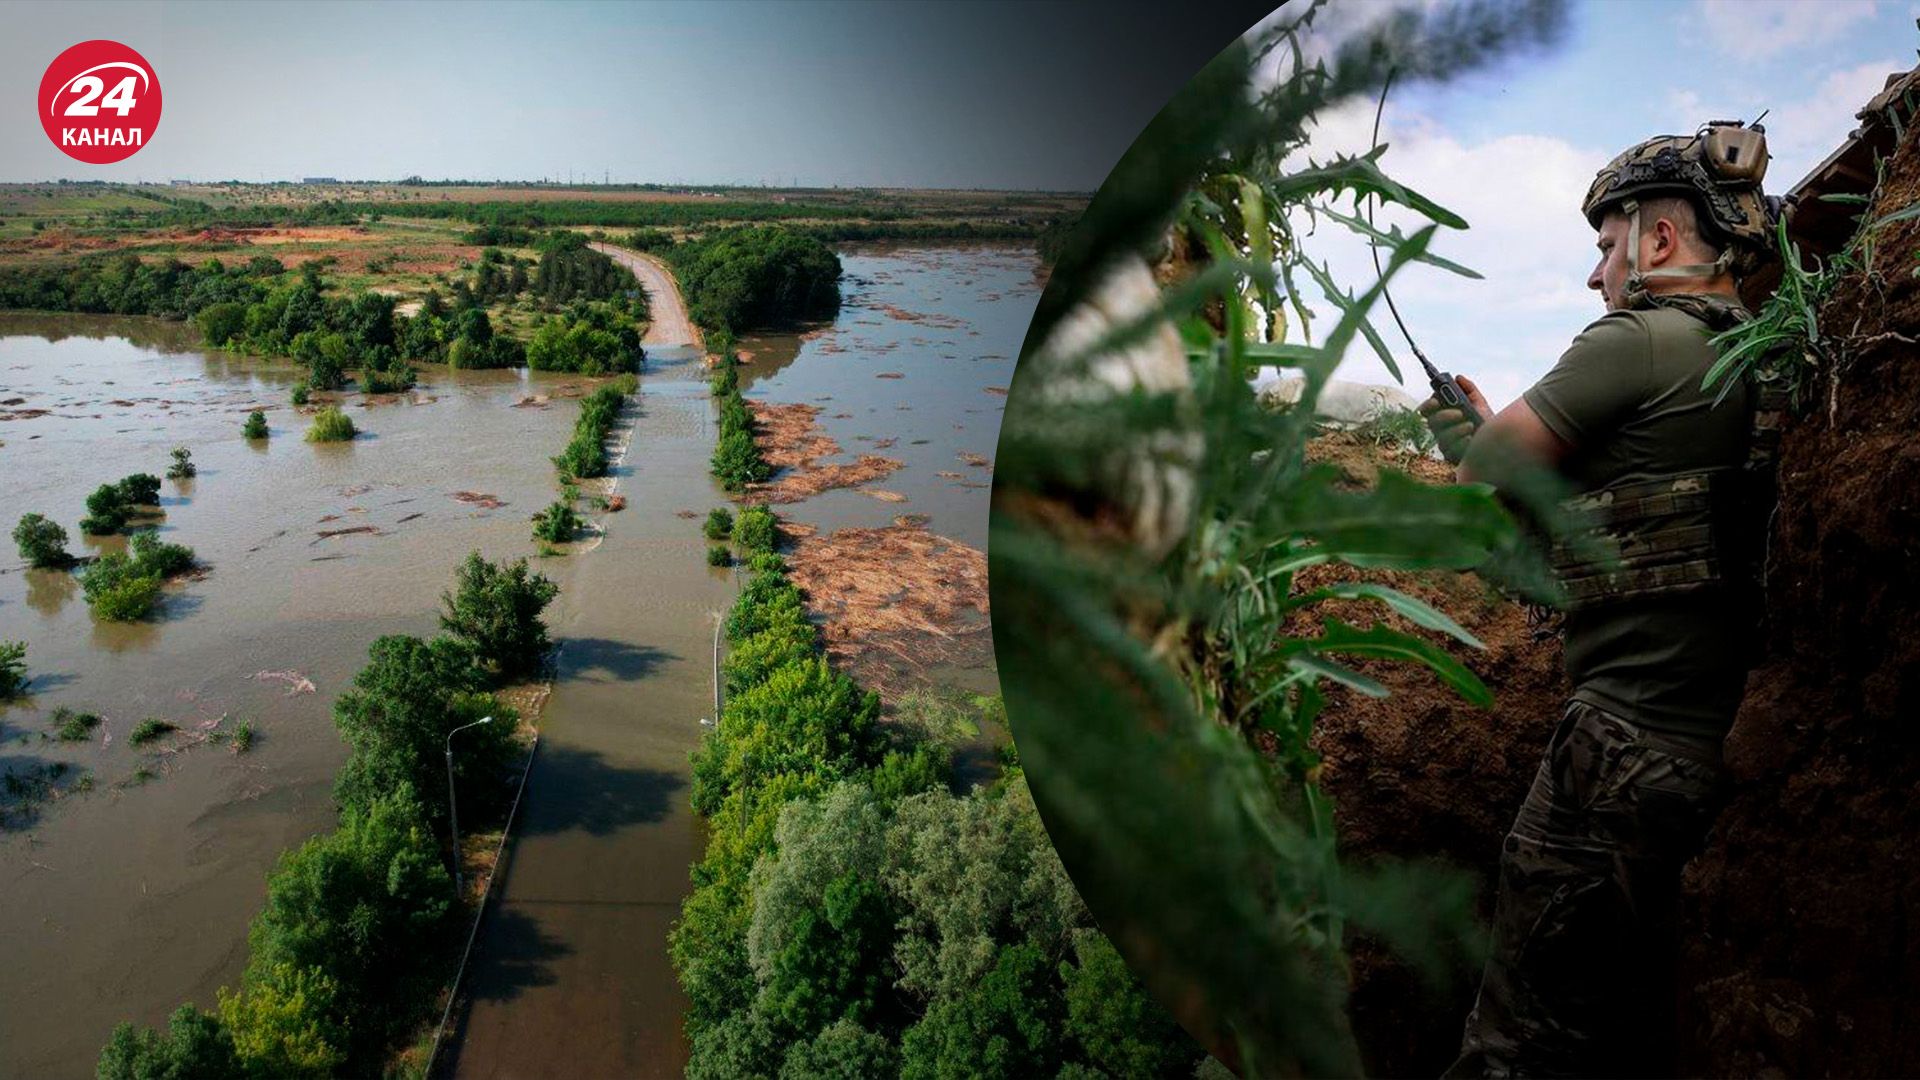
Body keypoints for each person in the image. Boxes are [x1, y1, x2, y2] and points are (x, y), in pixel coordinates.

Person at [1422, 122, 1784, 1078]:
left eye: (1603, 246)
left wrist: (1469, 437)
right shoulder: (1747, 355)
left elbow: (1480, 490)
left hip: (1615, 750)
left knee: (1520, 1038)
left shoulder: (1636, 338)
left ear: (1656, 240)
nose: (1595, 276)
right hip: (1701, 747)